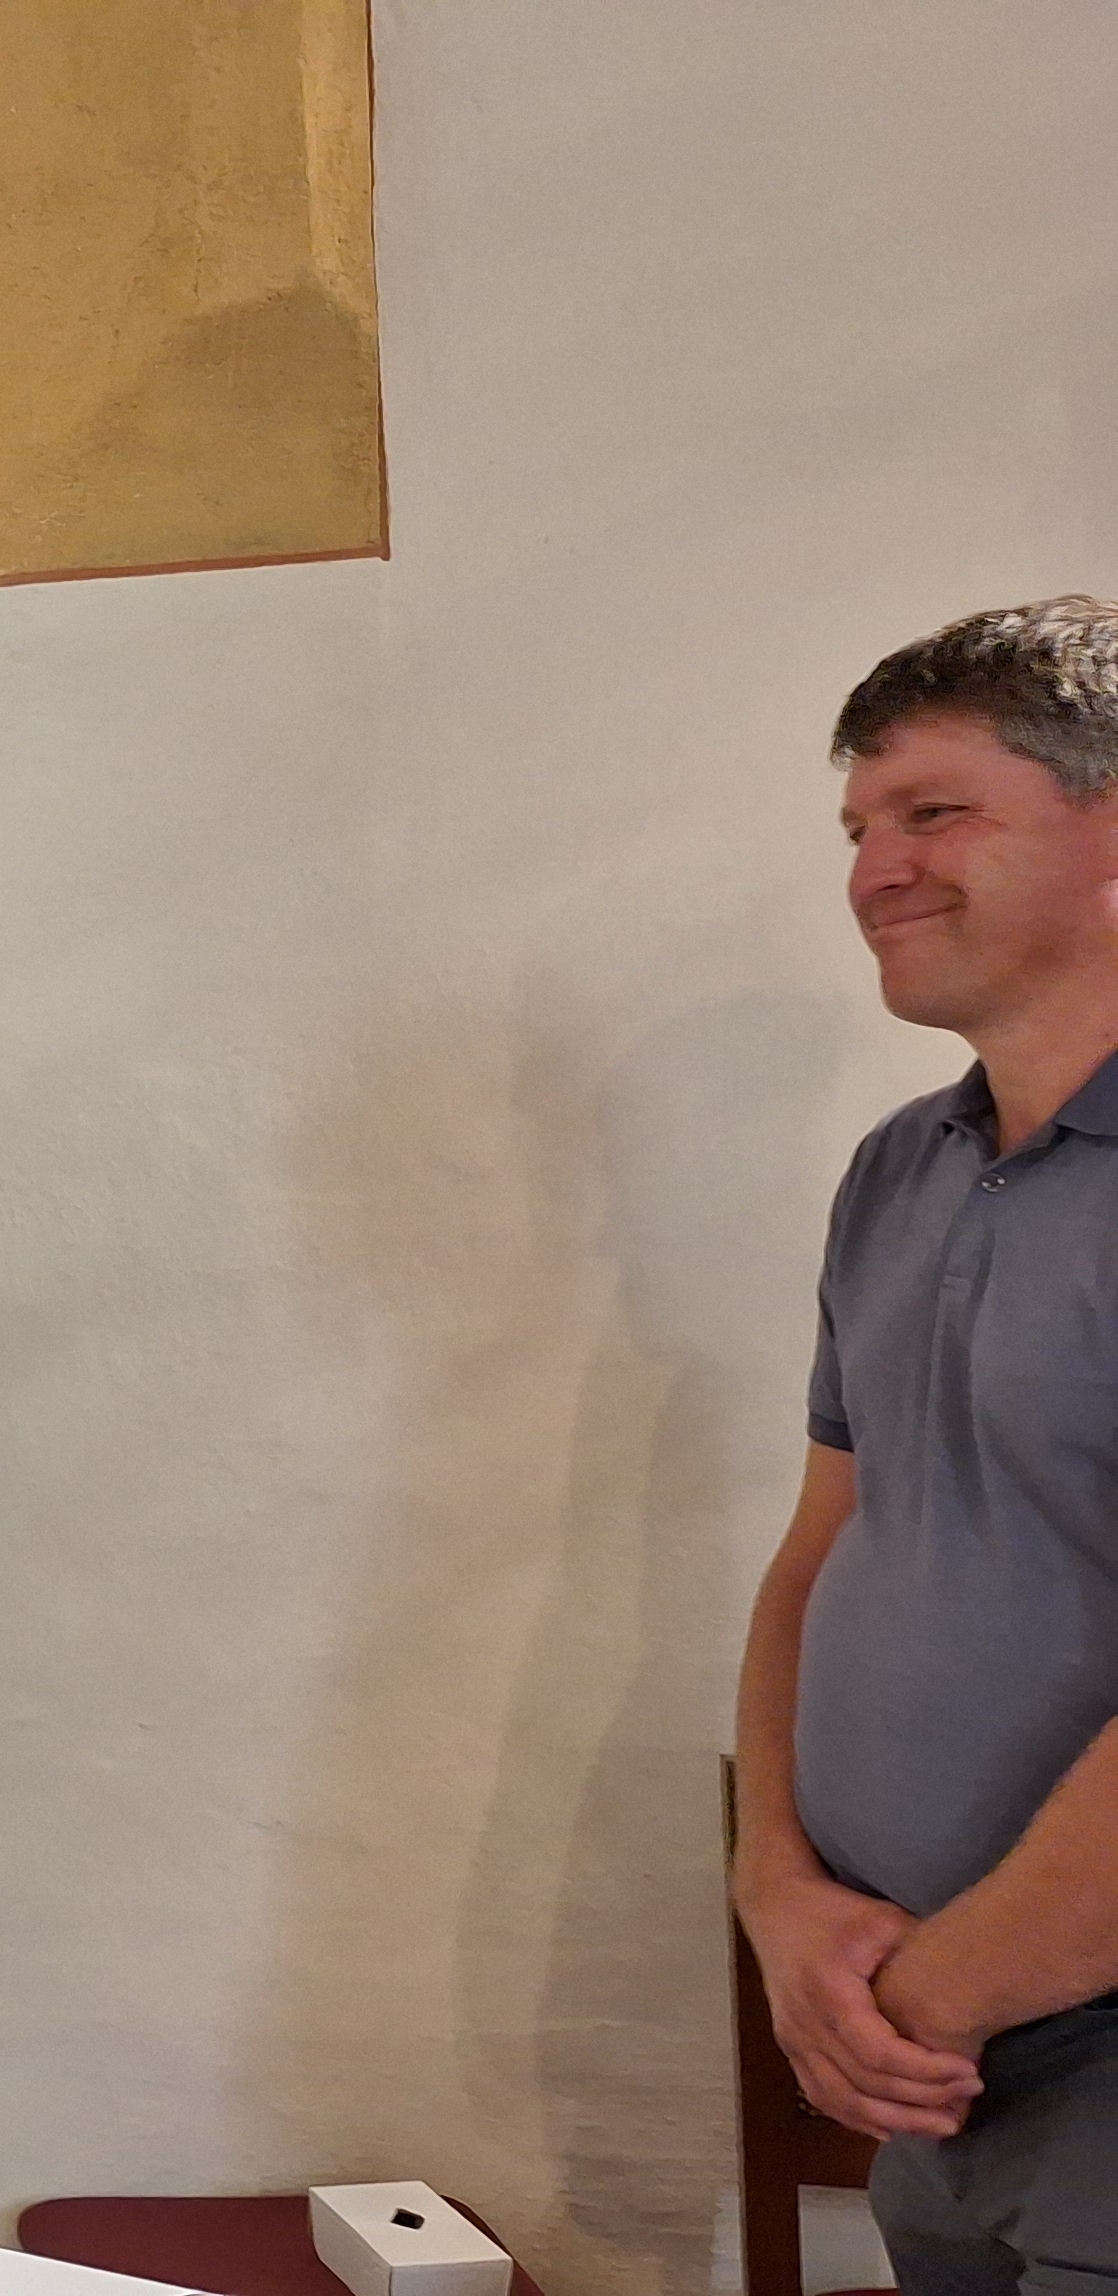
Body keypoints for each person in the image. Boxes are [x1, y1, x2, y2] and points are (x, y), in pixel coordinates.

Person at [734, 597, 1118, 2288]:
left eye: (935, 812)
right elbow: (826, 1551)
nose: (876, 871)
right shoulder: (904, 1166)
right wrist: (775, 1891)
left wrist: (923, 2001)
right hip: (923, 2070)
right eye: (859, 830)